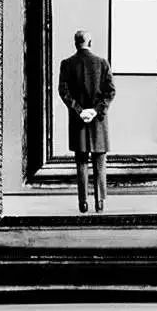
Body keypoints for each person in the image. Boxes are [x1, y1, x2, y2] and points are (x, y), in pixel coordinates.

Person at [59, 30, 116, 214]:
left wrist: (79, 110)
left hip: (78, 122)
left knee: (81, 163)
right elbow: (110, 92)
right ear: (90, 42)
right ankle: (100, 203)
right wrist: (96, 110)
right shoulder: (102, 63)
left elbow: (64, 92)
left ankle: (83, 203)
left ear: (75, 43)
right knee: (100, 163)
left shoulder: (67, 64)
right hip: (98, 121)